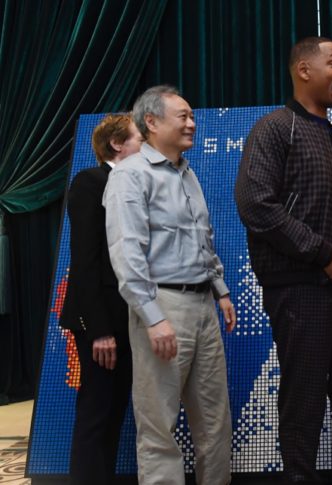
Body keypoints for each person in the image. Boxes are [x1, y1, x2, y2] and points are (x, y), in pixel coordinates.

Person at [235, 37, 332, 484]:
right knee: (305, 395)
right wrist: (323, 254)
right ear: (304, 70)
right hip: (299, 286)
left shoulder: (329, 135)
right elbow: (255, 205)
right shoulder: (275, 128)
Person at [104, 85, 235, 485]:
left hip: (203, 305)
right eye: (183, 116)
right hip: (162, 305)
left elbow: (201, 237)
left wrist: (220, 289)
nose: (192, 123)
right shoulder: (129, 175)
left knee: (215, 419)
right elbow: (127, 252)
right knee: (159, 424)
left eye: (192, 116)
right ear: (152, 122)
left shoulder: (187, 173)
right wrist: (153, 317)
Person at [59, 113, 142, 484]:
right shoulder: (91, 182)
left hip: (128, 319)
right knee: (96, 412)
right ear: (117, 144)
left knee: (114, 411)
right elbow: (85, 260)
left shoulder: (134, 186)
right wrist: (99, 331)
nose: (146, 146)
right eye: (139, 139)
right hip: (101, 322)